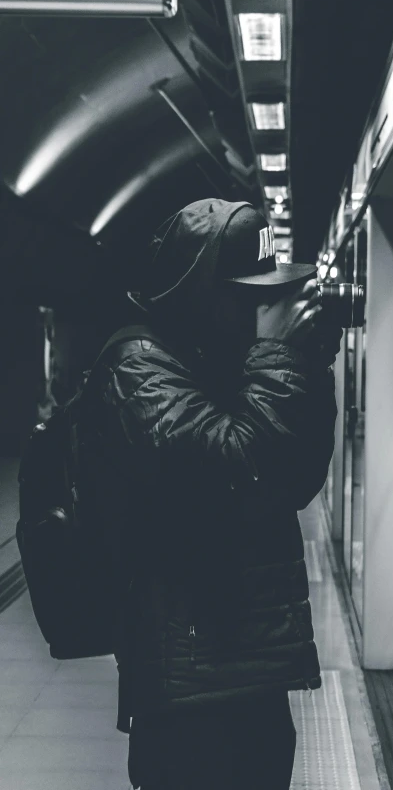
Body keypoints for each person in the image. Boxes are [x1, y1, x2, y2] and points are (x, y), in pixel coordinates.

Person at [84, 199, 342, 790]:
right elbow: (237, 470)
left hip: (246, 670)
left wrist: (306, 366)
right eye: (248, 295)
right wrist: (278, 357)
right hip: (189, 690)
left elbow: (290, 482)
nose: (263, 309)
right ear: (197, 293)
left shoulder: (223, 364)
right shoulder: (139, 372)